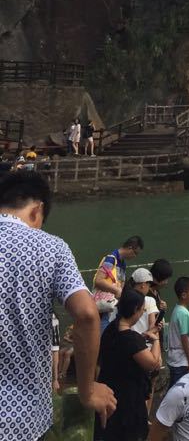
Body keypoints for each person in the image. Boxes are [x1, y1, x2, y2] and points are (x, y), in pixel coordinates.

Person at [0, 170, 116, 438]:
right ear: (37, 210)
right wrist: (86, 391)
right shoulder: (51, 248)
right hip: (21, 421)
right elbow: (87, 315)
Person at [95, 286, 162, 440]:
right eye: (142, 310)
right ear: (135, 309)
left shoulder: (111, 330)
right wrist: (155, 339)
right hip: (128, 400)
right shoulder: (131, 339)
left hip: (109, 393)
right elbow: (153, 364)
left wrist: (142, 339)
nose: (142, 314)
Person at [94, 235, 145, 332]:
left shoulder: (122, 264)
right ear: (130, 248)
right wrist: (116, 290)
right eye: (135, 253)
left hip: (113, 306)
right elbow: (99, 280)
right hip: (105, 307)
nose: (135, 256)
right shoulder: (111, 259)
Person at [165, 277, 189, 387]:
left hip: (175, 358)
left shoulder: (177, 309)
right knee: (177, 389)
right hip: (181, 361)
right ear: (184, 295)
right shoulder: (184, 314)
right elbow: (184, 339)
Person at [128, 268, 158, 336]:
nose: (149, 288)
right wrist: (155, 329)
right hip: (145, 343)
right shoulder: (150, 300)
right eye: (149, 285)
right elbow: (152, 326)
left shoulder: (124, 299)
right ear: (143, 285)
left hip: (127, 342)